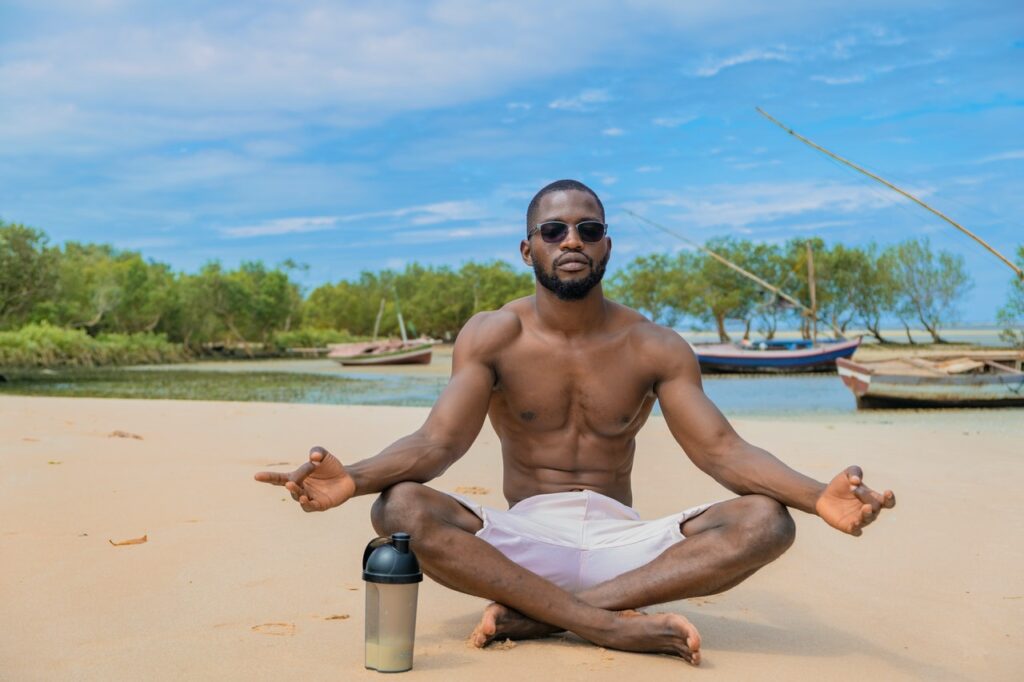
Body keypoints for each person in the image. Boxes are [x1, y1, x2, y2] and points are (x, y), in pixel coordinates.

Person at [255, 179, 895, 665]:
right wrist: (356, 479)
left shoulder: (655, 345)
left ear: (607, 245)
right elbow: (437, 442)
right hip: (525, 539)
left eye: (588, 230)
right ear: (527, 246)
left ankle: (547, 617)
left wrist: (816, 497)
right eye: (555, 231)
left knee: (766, 520)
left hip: (628, 548)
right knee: (399, 509)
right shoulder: (493, 335)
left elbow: (722, 451)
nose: (572, 242)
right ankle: (609, 624)